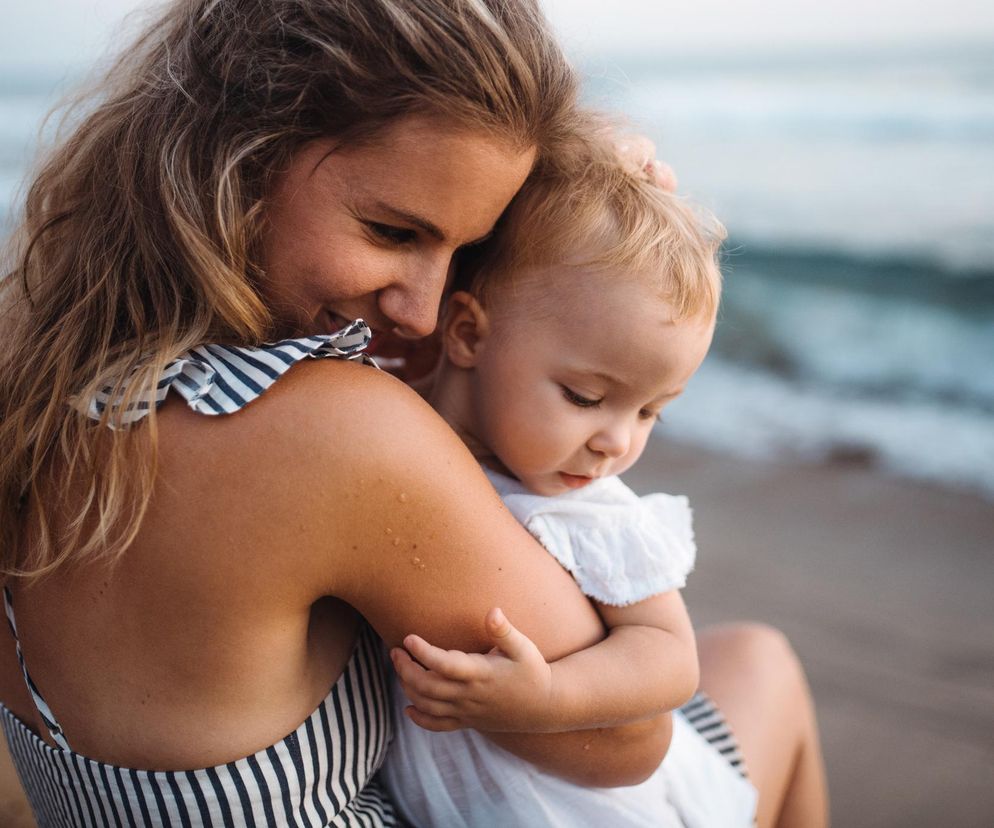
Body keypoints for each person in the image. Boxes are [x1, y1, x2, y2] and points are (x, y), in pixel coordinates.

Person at [0, 1, 826, 826]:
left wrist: (560, 198)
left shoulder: (47, 369)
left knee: (746, 655)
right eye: (394, 231)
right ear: (245, 157)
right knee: (769, 669)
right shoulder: (331, 432)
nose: (426, 314)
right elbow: (628, 741)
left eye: (464, 252)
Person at [380, 134, 753, 826]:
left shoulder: (593, 517)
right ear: (465, 333)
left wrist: (549, 696)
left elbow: (670, 658)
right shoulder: (386, 414)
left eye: (651, 413)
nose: (617, 442)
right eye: (585, 397)